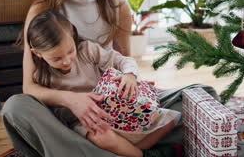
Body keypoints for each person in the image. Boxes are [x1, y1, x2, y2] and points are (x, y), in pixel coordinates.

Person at [2, 0, 218, 157]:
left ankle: (90, 149)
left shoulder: (117, 7)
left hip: (113, 109)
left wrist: (133, 88)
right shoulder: (42, 11)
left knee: (203, 95)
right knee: (15, 107)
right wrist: (73, 101)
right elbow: (29, 86)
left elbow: (123, 64)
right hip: (64, 115)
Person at [26, 10, 181, 157]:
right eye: (56, 59)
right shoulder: (42, 78)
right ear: (37, 54)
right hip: (84, 121)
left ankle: (132, 152)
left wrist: (129, 74)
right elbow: (54, 114)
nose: (66, 61)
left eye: (70, 51)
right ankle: (144, 155)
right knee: (102, 137)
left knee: (170, 119)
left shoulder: (86, 50)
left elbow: (122, 60)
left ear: (73, 37)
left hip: (114, 108)